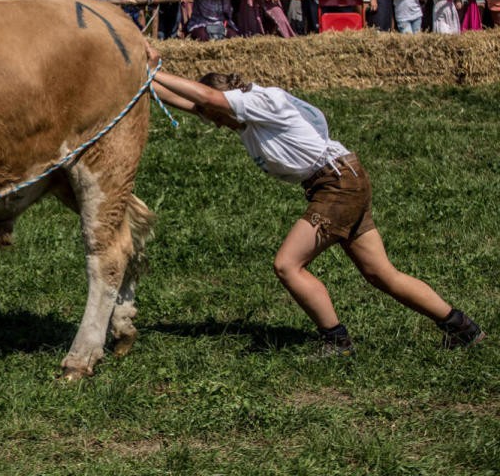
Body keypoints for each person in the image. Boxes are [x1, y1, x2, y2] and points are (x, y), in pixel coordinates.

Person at [149, 67, 486, 356]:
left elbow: (207, 100)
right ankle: (463, 329)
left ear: (224, 101)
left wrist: (154, 70)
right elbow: (198, 103)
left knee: (287, 265)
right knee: (381, 274)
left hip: (337, 185)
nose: (217, 125)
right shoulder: (246, 117)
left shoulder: (260, 102)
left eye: (216, 117)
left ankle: (336, 342)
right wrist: (142, 79)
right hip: (342, 179)